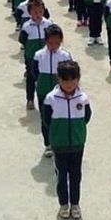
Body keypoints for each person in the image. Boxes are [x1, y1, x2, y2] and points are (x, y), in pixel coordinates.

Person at [42, 61, 91, 220]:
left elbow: (87, 117)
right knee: (62, 175)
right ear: (59, 79)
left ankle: (75, 204)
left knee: (76, 175)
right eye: (65, 80)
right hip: (59, 144)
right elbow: (46, 119)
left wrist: (77, 132)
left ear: (78, 79)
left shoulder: (82, 98)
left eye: (73, 79)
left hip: (77, 144)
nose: (69, 84)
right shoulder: (51, 98)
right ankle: (64, 203)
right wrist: (57, 134)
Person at [33, 25, 73, 158]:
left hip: (61, 94)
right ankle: (48, 144)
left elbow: (71, 74)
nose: (53, 45)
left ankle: (61, 142)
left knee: (61, 118)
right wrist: (40, 83)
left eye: (57, 43)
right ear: (45, 41)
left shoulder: (65, 55)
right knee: (45, 119)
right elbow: (34, 72)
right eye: (50, 43)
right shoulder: (39, 55)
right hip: (43, 92)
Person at [19, 0, 53, 110]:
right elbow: (22, 39)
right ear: (29, 12)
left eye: (40, 12)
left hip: (46, 57)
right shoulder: (27, 26)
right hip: (31, 57)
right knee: (31, 77)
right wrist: (30, 49)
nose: (38, 15)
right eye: (35, 12)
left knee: (44, 78)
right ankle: (30, 99)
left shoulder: (48, 24)